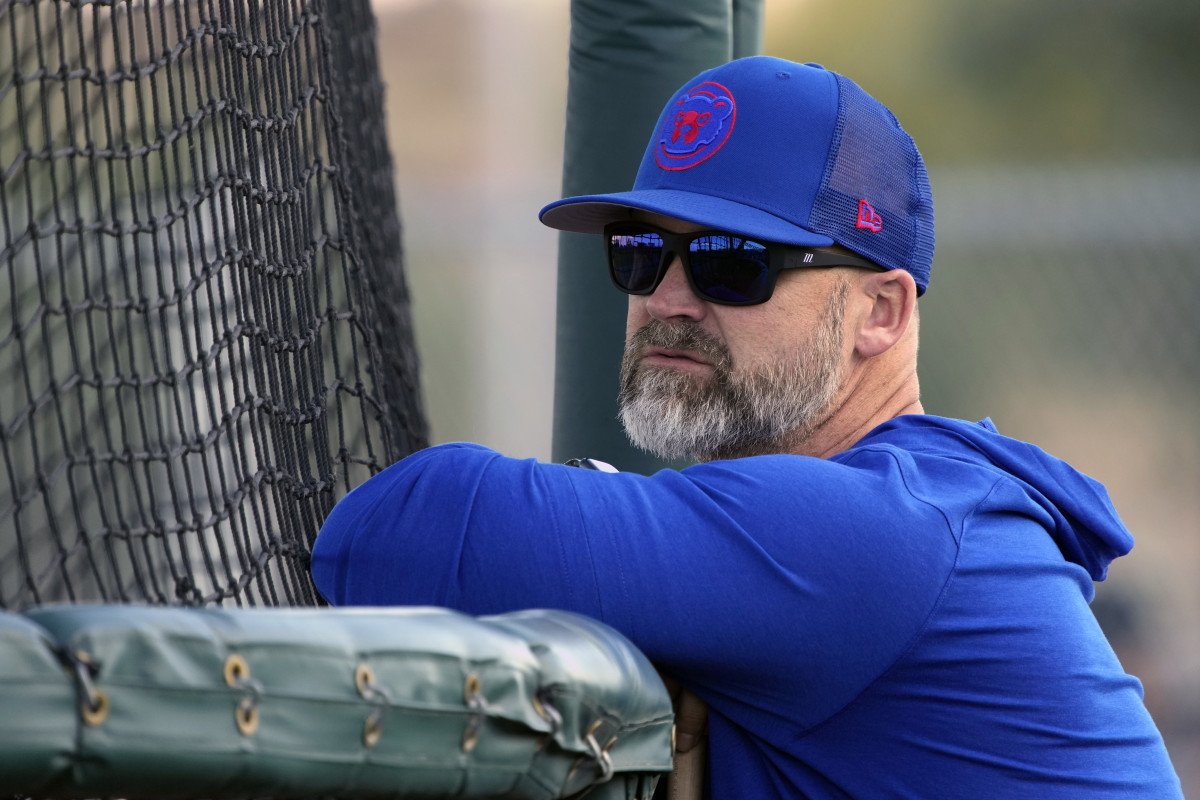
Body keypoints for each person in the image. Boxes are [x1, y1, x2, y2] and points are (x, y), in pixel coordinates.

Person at [311, 56, 1182, 798]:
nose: (668, 297)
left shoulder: (872, 532)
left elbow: (393, 527)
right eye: (640, 250)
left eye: (735, 263)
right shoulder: (921, 510)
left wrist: (613, 504)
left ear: (879, 313)